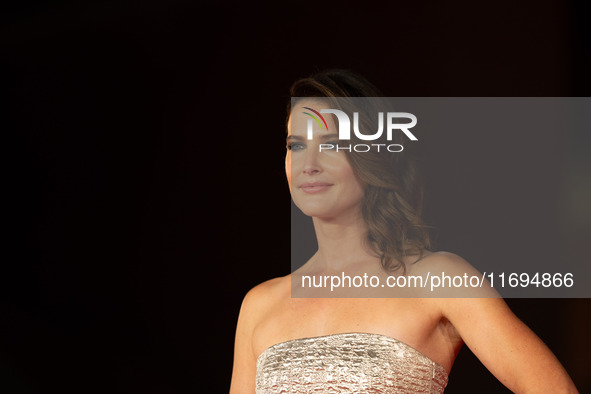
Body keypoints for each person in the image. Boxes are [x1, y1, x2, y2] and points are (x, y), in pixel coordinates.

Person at [230, 69, 578, 393]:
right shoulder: (260, 306)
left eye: (333, 143)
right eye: (297, 145)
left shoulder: (439, 279)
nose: (309, 165)